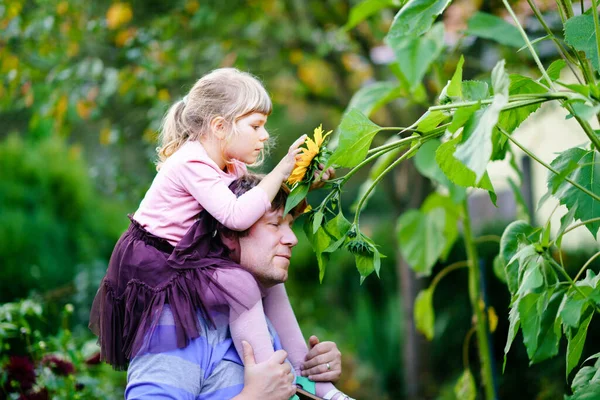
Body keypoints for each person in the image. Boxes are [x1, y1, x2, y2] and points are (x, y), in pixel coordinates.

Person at [89, 68, 343, 398]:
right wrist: (259, 395)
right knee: (242, 285)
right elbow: (238, 213)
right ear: (220, 126)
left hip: (189, 258)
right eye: (256, 126)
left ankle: (309, 379)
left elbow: (259, 196)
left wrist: (305, 179)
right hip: (161, 263)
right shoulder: (190, 161)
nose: (265, 135)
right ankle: (276, 379)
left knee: (266, 287)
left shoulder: (229, 165)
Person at [125, 174, 353, 399]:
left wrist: (317, 374)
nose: (292, 238)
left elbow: (288, 389)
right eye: (274, 224)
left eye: (290, 225)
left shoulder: (263, 314)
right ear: (228, 233)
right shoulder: (180, 320)